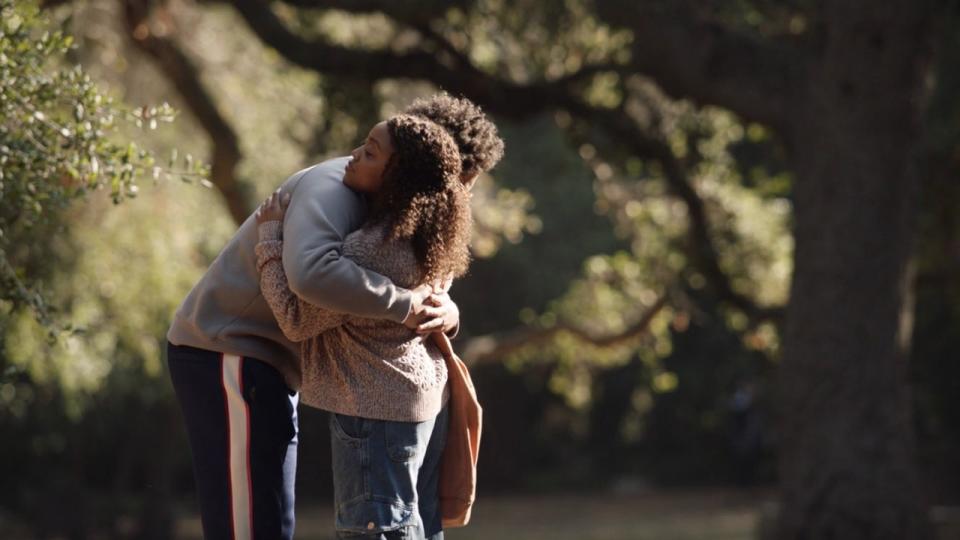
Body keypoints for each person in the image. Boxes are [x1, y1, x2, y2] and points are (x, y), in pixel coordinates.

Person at [165, 93, 503, 540]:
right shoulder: (335, 188)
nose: (462, 194)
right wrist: (406, 304)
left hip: (280, 363)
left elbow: (428, 276)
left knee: (273, 520)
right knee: (249, 526)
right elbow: (313, 277)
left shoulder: (397, 212)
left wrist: (448, 309)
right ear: (421, 163)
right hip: (229, 348)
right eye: (462, 178)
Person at [255, 113, 472, 539]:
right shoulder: (427, 237)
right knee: (418, 527)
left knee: (377, 532)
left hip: (376, 413)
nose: (352, 156)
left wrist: (268, 242)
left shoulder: (372, 253)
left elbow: (296, 318)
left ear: (399, 176)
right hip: (423, 403)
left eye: (370, 153)